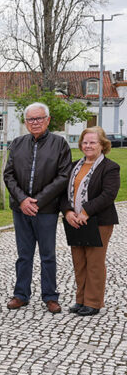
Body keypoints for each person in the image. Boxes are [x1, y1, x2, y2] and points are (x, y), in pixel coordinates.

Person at [4, 102, 71, 313]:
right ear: (25, 122)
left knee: (48, 255)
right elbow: (9, 175)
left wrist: (38, 201)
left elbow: (63, 176)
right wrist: (23, 200)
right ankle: (21, 294)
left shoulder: (59, 144)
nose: (35, 122)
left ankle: (50, 296)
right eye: (31, 119)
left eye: (39, 118)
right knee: (24, 255)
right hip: (21, 209)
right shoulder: (17, 143)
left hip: (47, 210)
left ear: (48, 120)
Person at [61, 127, 120, 317]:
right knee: (79, 262)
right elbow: (62, 193)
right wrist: (68, 211)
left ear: (102, 145)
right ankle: (81, 300)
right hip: (74, 221)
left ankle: (93, 302)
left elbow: (108, 194)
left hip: (98, 221)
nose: (88, 146)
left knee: (94, 262)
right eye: (85, 142)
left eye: (93, 142)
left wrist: (86, 211)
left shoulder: (110, 167)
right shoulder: (73, 166)